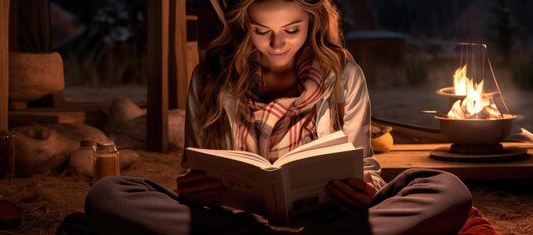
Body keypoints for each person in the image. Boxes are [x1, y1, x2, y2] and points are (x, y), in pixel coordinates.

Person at [83, 0, 472, 234]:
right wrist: (190, 188)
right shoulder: (209, 76)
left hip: (329, 221)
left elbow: (364, 163)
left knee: (446, 190)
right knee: (108, 194)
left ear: (313, 23)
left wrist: (366, 188)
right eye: (261, 30)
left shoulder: (344, 75)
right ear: (243, 26)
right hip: (233, 222)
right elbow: (195, 165)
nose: (276, 44)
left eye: (291, 29)